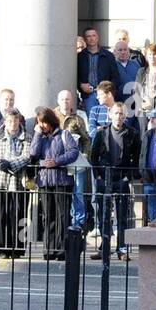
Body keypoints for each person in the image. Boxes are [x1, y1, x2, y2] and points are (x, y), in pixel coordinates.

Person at [16, 106, 77, 260]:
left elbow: (73, 152)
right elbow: (33, 154)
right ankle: (49, 249)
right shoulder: (40, 137)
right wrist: (37, 133)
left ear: (50, 121)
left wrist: (56, 161)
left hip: (62, 181)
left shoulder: (64, 134)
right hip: (45, 181)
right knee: (48, 216)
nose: (42, 125)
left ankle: (61, 249)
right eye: (39, 122)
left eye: (44, 122)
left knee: (62, 216)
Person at [90, 100, 139, 261]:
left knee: (122, 216)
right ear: (110, 115)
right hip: (104, 178)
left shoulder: (132, 133)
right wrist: (98, 176)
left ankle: (122, 249)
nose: (118, 116)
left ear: (125, 116)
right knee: (103, 216)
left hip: (122, 178)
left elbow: (136, 158)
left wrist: (128, 177)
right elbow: (93, 156)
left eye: (121, 114)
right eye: (116, 113)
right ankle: (104, 247)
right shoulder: (101, 133)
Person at [0, 108, 30, 258]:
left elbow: (27, 156)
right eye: (10, 121)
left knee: (19, 214)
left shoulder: (27, 137)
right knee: (2, 214)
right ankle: (2, 247)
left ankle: (18, 248)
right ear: (5, 122)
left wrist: (10, 164)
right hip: (0, 179)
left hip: (19, 180)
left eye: (16, 120)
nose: (13, 123)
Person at [56, 89, 93, 233]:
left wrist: (85, 155)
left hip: (76, 162)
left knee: (78, 194)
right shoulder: (52, 116)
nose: (65, 102)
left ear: (72, 101)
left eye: (68, 99)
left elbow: (86, 139)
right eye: (63, 99)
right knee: (61, 195)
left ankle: (77, 226)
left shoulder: (78, 119)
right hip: (58, 163)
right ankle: (63, 226)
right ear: (58, 101)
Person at [77, 26, 119, 118]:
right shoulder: (80, 56)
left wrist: (108, 90)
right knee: (92, 120)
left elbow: (115, 76)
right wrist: (80, 85)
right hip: (88, 95)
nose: (91, 38)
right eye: (88, 36)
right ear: (85, 39)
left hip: (104, 94)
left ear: (97, 37)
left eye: (93, 35)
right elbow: (74, 75)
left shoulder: (108, 56)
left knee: (105, 120)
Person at [115, 40, 141, 105]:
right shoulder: (112, 66)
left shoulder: (135, 65)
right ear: (114, 52)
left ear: (128, 51)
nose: (123, 52)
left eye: (125, 49)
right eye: (120, 50)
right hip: (119, 103)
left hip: (135, 102)